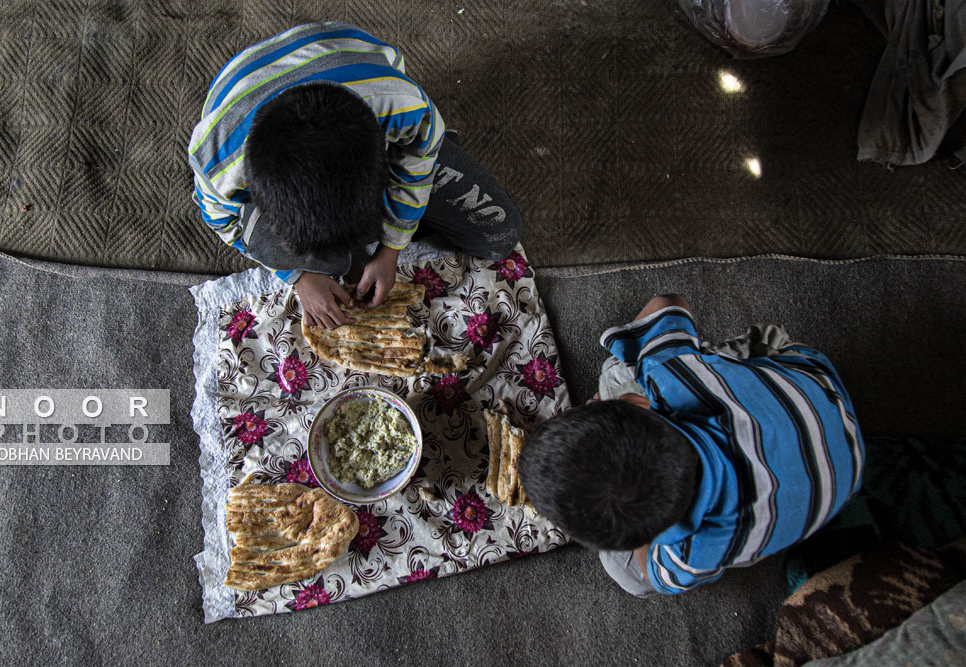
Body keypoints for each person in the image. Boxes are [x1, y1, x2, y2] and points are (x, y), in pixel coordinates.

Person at [518, 294, 866, 596]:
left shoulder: (688, 554)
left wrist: (641, 532)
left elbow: (645, 558)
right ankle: (745, 356)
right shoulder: (672, 374)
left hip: (845, 476)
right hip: (818, 395)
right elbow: (667, 304)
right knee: (617, 371)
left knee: (627, 575)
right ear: (638, 405)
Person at [188, 22, 522, 328]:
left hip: (368, 97)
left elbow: (417, 162)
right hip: (249, 118)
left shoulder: (401, 105)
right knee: (328, 260)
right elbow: (223, 223)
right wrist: (299, 275)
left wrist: (391, 248)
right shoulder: (217, 164)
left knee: (500, 234)